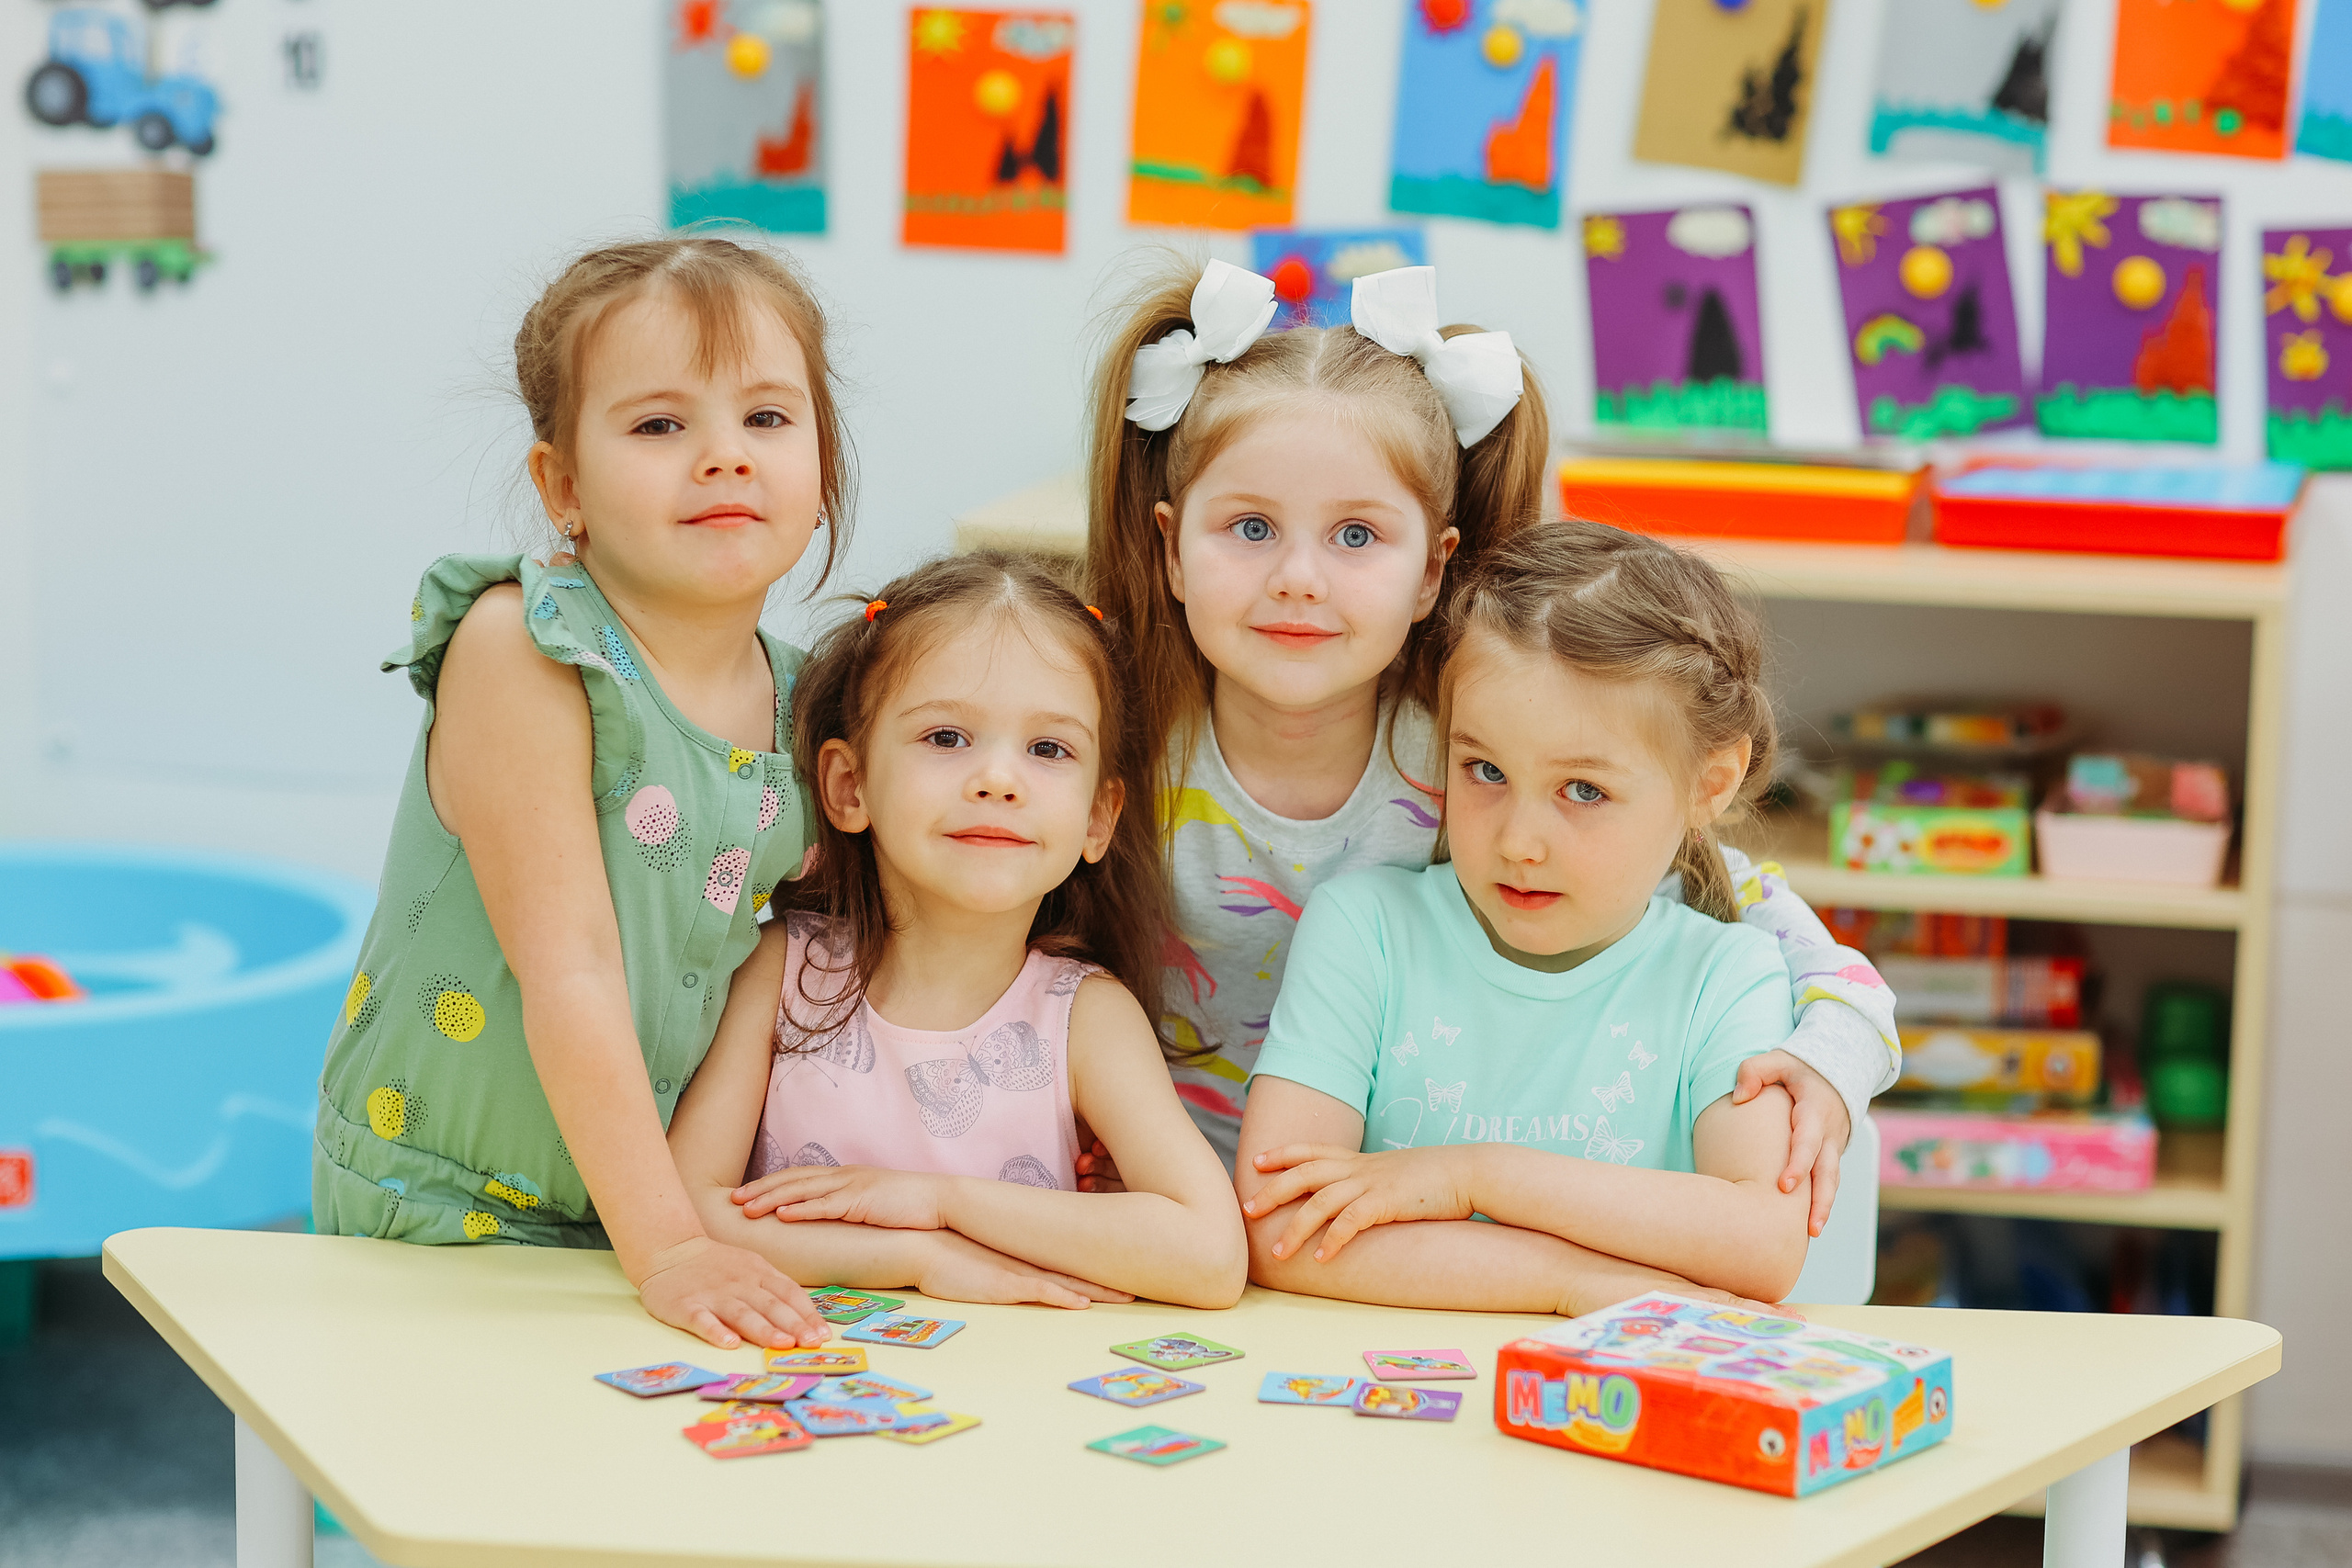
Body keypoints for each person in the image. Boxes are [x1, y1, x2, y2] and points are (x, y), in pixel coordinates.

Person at [1081, 258, 1896, 1230]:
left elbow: (1765, 919)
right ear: (1170, 547)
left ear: (1433, 568)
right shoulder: (1112, 751)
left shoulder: (1481, 753)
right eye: (1250, 527)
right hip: (1151, 1220)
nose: (1298, 578)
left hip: (1376, 1225)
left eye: (1354, 537)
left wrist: (1832, 1063)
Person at [313, 237, 854, 1351]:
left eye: (767, 419)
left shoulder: (809, 707)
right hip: (441, 1196)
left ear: (822, 467)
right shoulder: (527, 648)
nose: (724, 459)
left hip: (636, 1200)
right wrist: (669, 1248)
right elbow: (571, 966)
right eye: (661, 425)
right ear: (562, 487)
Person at [1238, 521, 1824, 1311]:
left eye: (1583, 790)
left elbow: (1762, 1244)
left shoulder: (1725, 976)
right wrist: (1571, 1281)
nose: (1518, 842)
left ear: (1709, 785)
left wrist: (1472, 1175)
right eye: (1484, 770)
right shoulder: (1363, 930)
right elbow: (1280, 1225)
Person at [667, 553, 1246, 1310]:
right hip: (804, 1382)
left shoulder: (1086, 1017)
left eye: (1048, 749)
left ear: (1099, 817)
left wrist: (941, 1200)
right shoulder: (781, 971)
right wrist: (920, 1256)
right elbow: (683, 1212)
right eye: (946, 737)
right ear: (850, 786)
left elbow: (1209, 1255)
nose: (999, 779)